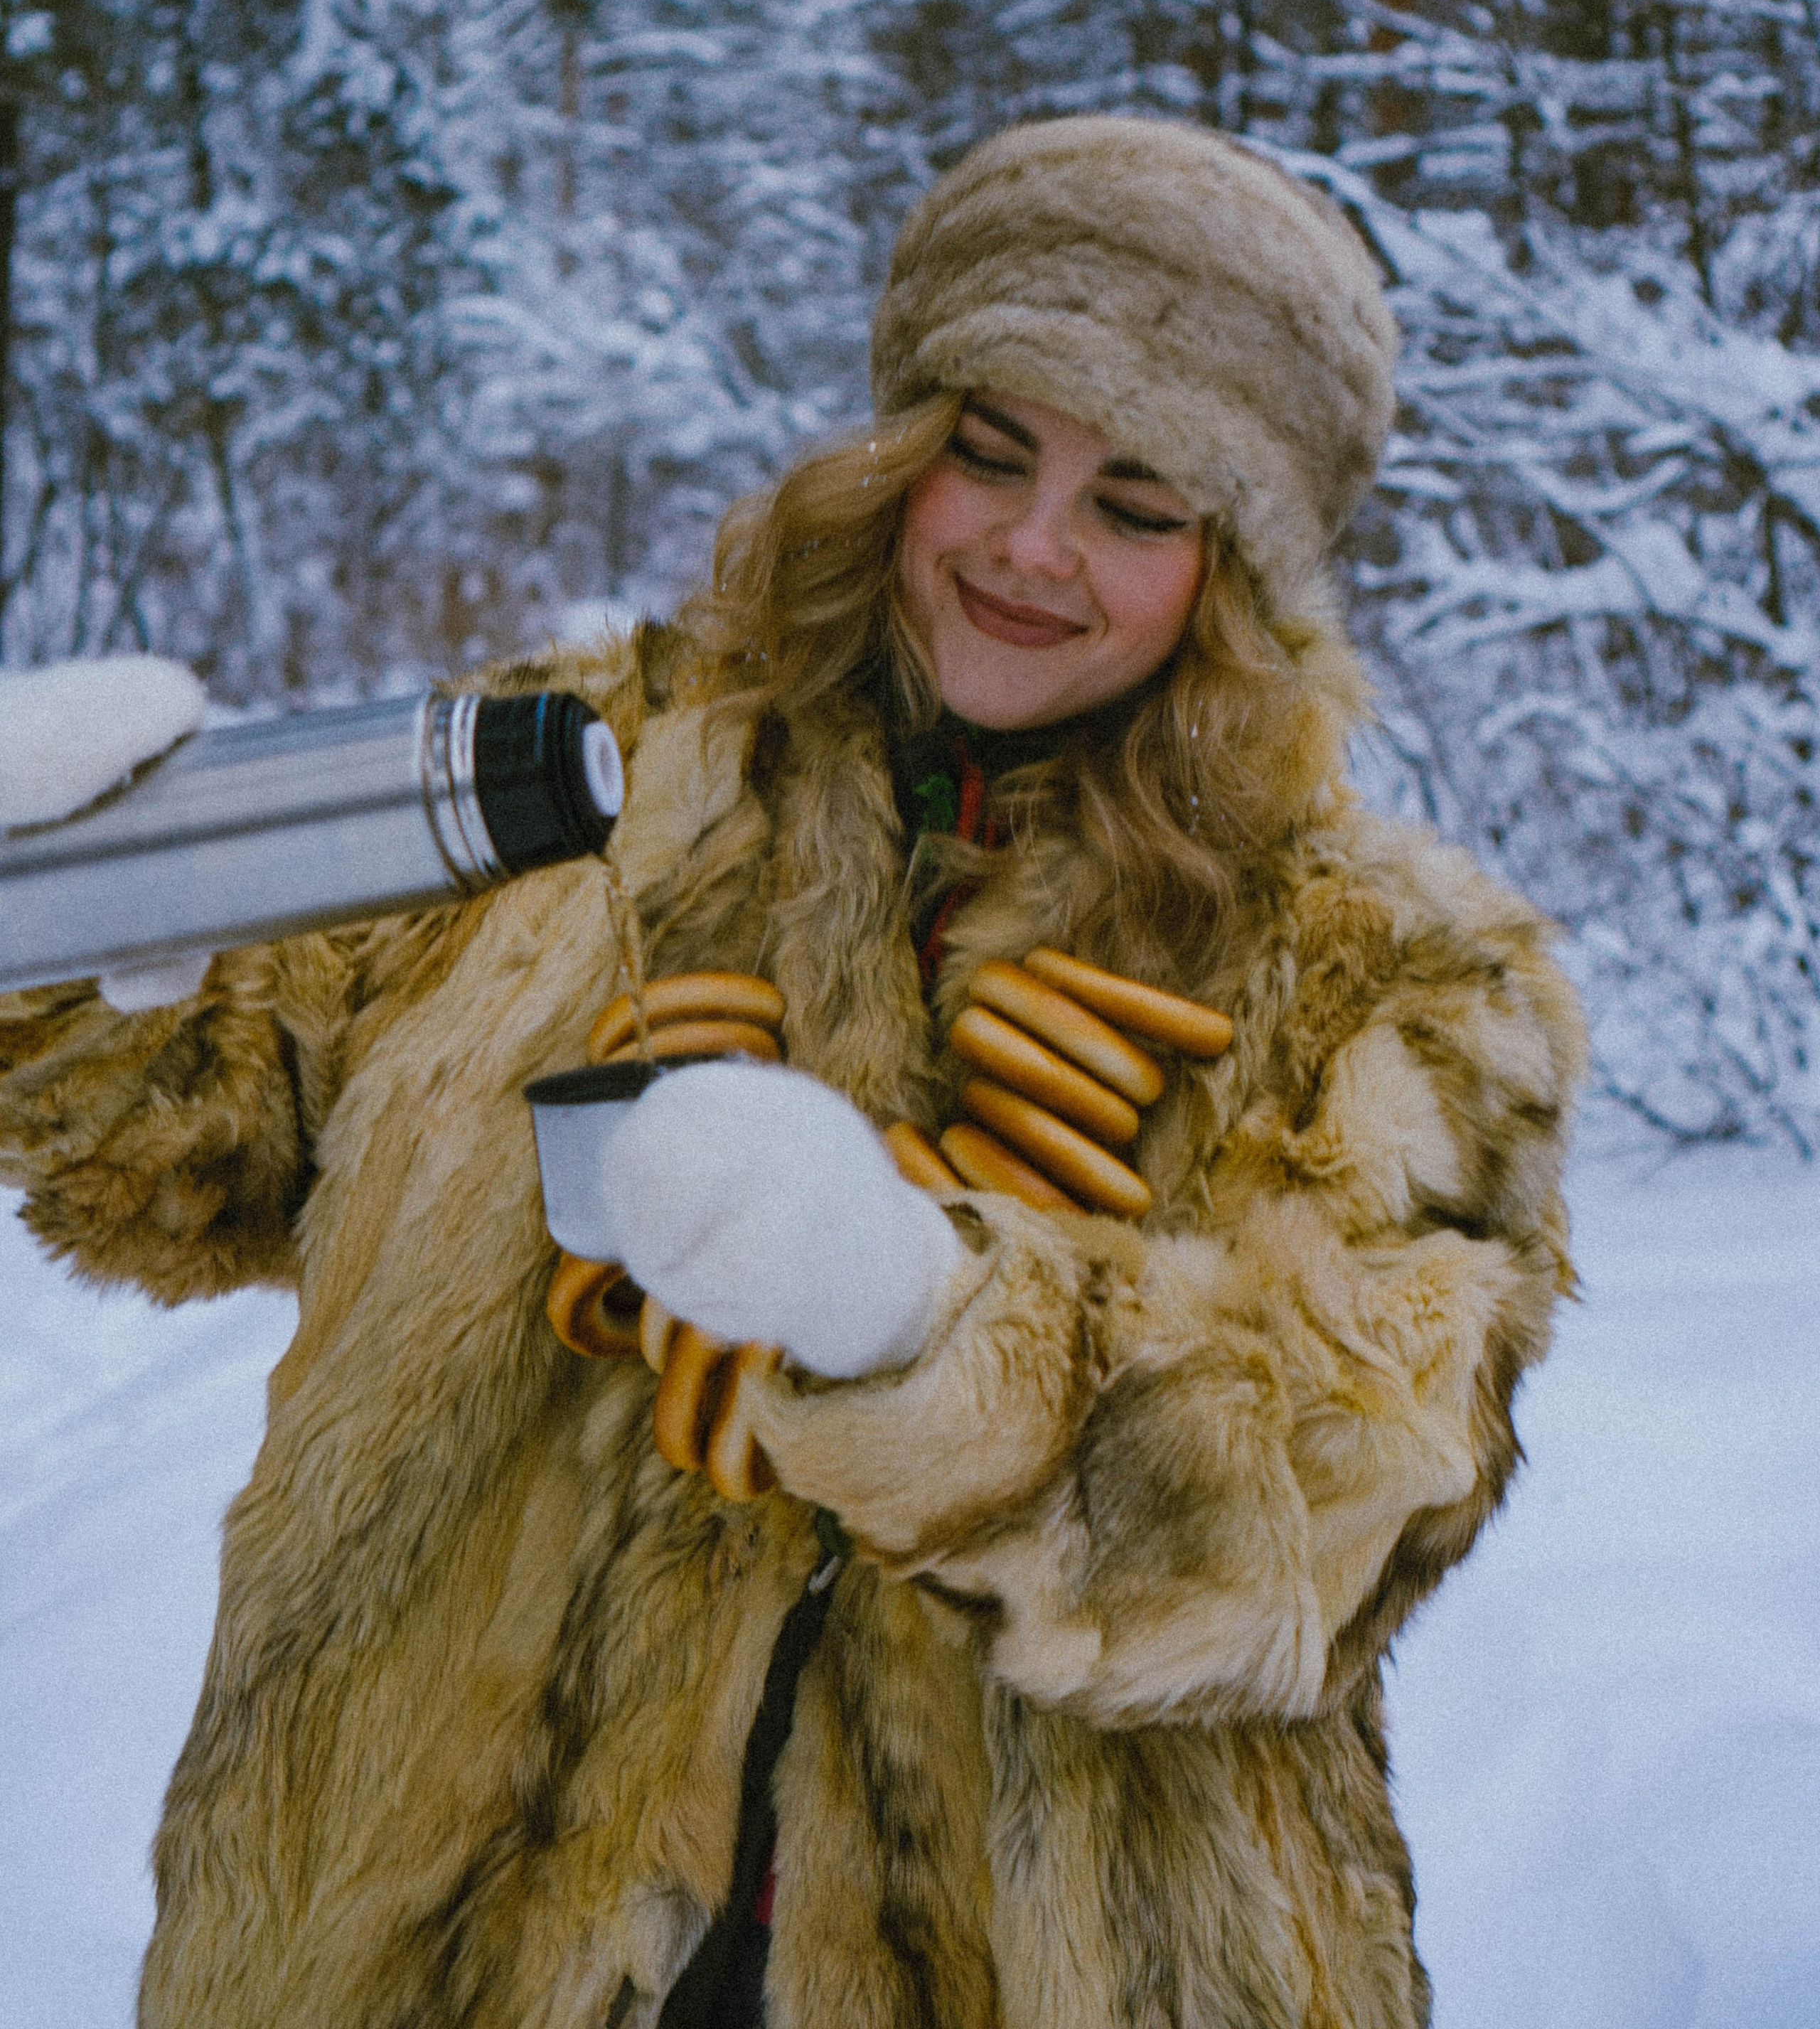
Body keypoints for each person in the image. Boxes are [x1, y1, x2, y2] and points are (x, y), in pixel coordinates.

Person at [0, 114, 1583, 2029]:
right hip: (416, 1936)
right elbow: (194, 1156)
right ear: (899, 455)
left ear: (1239, 572)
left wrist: (917, 1316)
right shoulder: (564, 779)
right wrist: (84, 943)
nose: (1027, 543)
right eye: (986, 452)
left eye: (1136, 503)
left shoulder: (1391, 977)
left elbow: (1340, 1505)